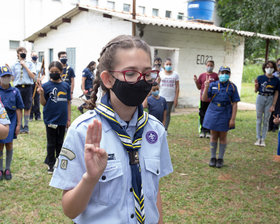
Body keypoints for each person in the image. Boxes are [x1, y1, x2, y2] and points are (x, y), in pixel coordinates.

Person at [49, 35, 173, 224]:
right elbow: (70, 210)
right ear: (108, 79)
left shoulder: (155, 131)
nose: (141, 81)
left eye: (147, 74)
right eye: (130, 73)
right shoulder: (82, 131)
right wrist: (90, 178)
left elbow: (153, 193)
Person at [37, 61, 71, 174]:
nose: (54, 73)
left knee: (60, 142)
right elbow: (43, 103)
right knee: (51, 142)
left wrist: (68, 119)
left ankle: (59, 162)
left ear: (61, 72)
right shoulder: (46, 86)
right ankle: (50, 164)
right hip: (50, 119)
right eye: (52, 72)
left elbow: (68, 103)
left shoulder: (66, 86)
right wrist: (41, 94)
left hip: (62, 119)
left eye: (56, 72)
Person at [202, 66, 240, 168]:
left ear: (229, 75)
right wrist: (206, 87)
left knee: (223, 137)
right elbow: (204, 98)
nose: (224, 75)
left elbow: (235, 103)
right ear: (218, 74)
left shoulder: (232, 87)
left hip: (225, 112)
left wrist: (232, 119)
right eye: (222, 72)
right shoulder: (213, 84)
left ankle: (221, 159)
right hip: (213, 111)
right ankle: (213, 157)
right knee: (213, 135)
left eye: (226, 73)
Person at [0, 65, 24, 180]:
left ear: (11, 77)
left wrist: (19, 124)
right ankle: (0, 169)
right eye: (3, 76)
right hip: (0, 120)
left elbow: (19, 108)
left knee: (9, 143)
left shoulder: (15, 91)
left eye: (8, 76)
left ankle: (7, 168)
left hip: (12, 119)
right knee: (0, 144)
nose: (6, 78)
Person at [11, 47, 36, 134]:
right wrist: (9, 71)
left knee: (27, 107)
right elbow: (12, 78)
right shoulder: (14, 65)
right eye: (21, 52)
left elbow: (33, 76)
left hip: (28, 87)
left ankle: (26, 125)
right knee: (19, 107)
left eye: (25, 51)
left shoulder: (30, 64)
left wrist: (24, 66)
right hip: (18, 88)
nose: (23, 53)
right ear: (18, 54)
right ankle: (19, 125)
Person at [254, 60, 279, 147]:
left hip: (270, 98)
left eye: (271, 67)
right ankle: (258, 138)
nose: (269, 69)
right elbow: (255, 91)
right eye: (267, 67)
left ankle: (263, 139)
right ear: (264, 68)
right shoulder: (260, 78)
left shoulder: (276, 80)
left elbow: (276, 92)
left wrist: (273, 105)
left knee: (266, 120)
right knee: (259, 119)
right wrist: (256, 87)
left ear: (274, 69)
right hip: (260, 97)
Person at [194, 60, 219, 138]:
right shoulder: (202, 75)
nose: (209, 67)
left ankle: (208, 131)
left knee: (210, 115)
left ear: (213, 66)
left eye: (211, 65)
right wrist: (195, 81)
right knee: (202, 114)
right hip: (203, 99)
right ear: (206, 66)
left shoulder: (216, 76)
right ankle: (202, 130)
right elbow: (199, 87)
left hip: (212, 100)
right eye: (208, 65)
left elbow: (218, 87)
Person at [159, 58, 179, 131]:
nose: (168, 66)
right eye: (167, 64)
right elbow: (156, 85)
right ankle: (159, 127)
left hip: (170, 98)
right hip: (161, 97)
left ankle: (165, 129)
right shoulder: (160, 74)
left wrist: (176, 98)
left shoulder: (175, 74)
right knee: (160, 112)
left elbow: (177, 87)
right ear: (164, 65)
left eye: (170, 64)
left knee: (167, 113)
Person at [30, 51, 44, 121]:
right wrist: (35, 80)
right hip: (31, 83)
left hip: (38, 83)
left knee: (37, 100)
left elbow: (43, 73)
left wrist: (40, 80)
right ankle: (30, 116)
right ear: (31, 56)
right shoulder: (29, 64)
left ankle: (38, 115)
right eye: (33, 55)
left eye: (36, 56)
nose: (35, 57)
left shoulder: (40, 64)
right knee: (30, 99)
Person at [268, 58, 280, 131]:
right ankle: (269, 126)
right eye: (278, 64)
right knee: (271, 109)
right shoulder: (273, 74)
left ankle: (275, 126)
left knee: (278, 110)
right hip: (273, 94)